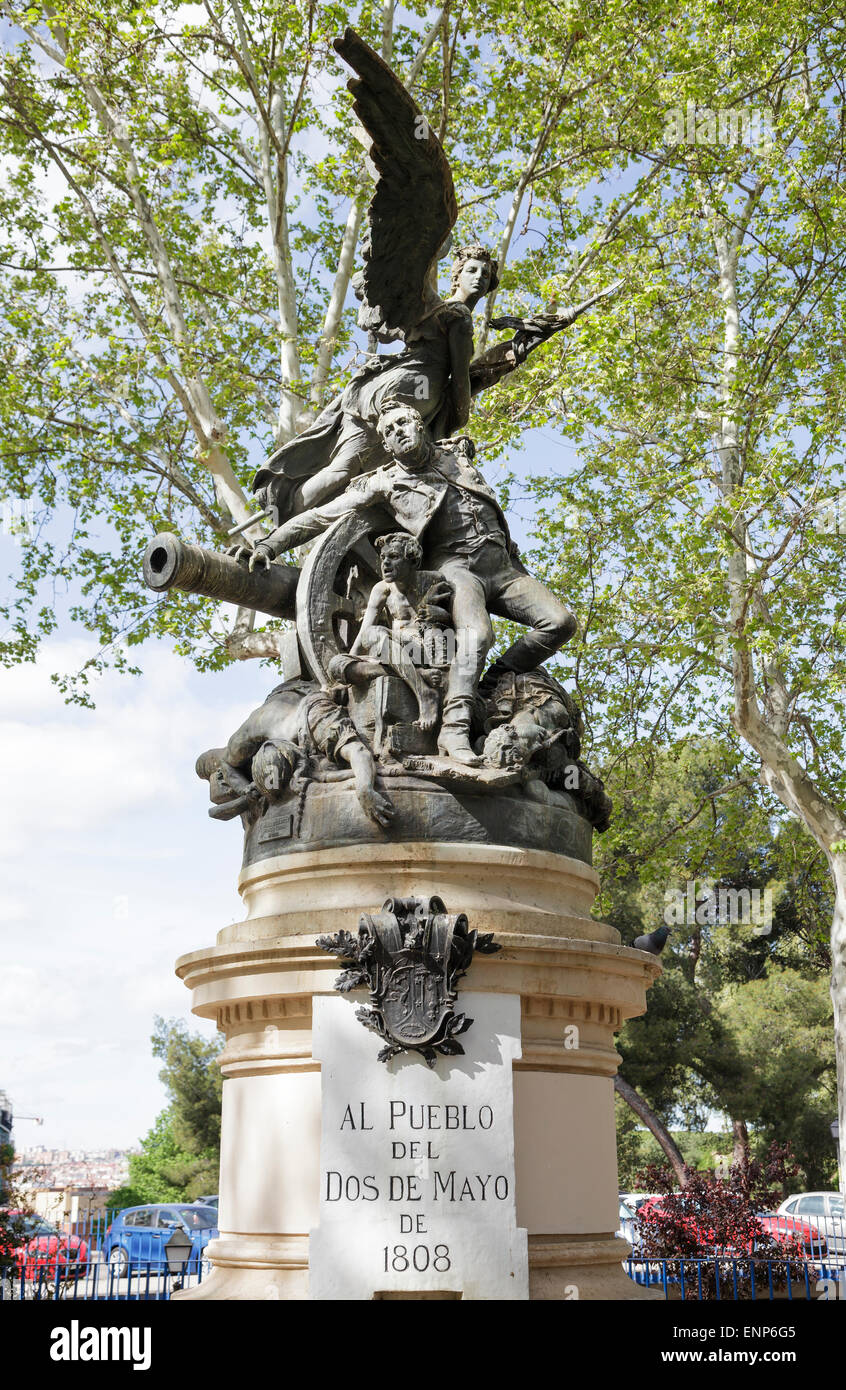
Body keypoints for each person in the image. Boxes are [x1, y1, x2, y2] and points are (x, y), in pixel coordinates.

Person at [233, 402, 577, 765]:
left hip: (505, 568)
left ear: (420, 425)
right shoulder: (385, 483)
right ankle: (454, 729)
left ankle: (491, 681)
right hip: (459, 569)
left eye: (402, 423)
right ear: (387, 446)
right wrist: (269, 544)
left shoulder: (455, 456)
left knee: (560, 623)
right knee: (477, 635)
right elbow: (320, 516)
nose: (397, 432)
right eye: (387, 433)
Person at [251, 245, 499, 521]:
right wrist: (460, 417)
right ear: (457, 276)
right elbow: (460, 379)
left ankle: (285, 516)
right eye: (472, 270)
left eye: (485, 275)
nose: (479, 277)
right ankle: (290, 520)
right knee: (351, 469)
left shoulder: (431, 305)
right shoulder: (460, 316)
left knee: (343, 469)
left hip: (383, 388)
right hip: (409, 392)